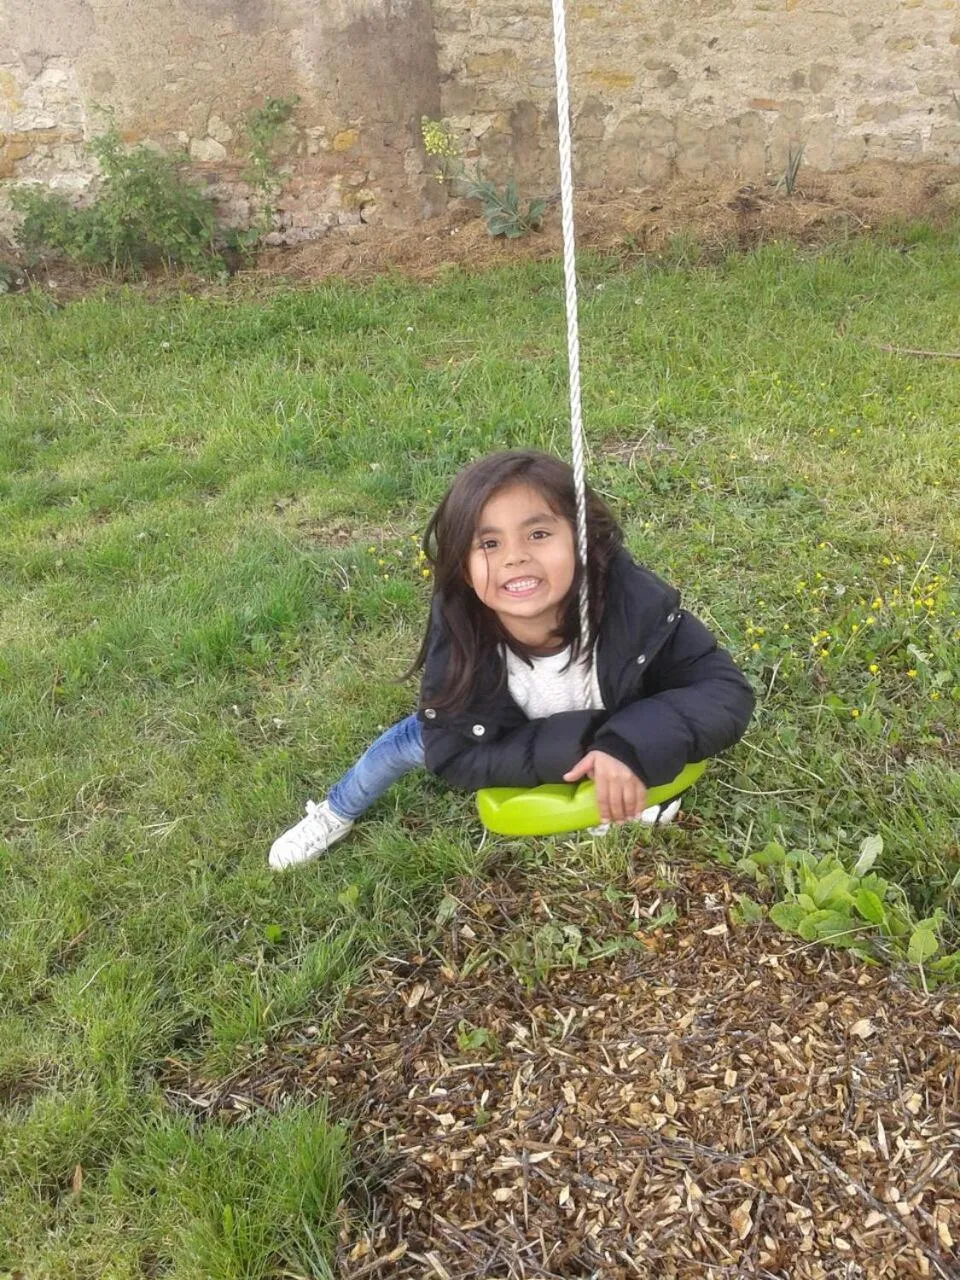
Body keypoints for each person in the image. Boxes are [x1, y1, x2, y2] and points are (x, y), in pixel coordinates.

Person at [268, 450, 754, 870]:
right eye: (489, 543)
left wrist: (633, 747)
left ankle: (629, 782)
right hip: (492, 727)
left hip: (616, 717)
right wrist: (586, 751)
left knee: (651, 737)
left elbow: (722, 691)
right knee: (395, 750)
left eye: (538, 533)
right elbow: (454, 755)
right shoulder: (460, 634)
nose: (514, 557)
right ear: (464, 567)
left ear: (582, 540)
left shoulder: (635, 606)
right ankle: (336, 812)